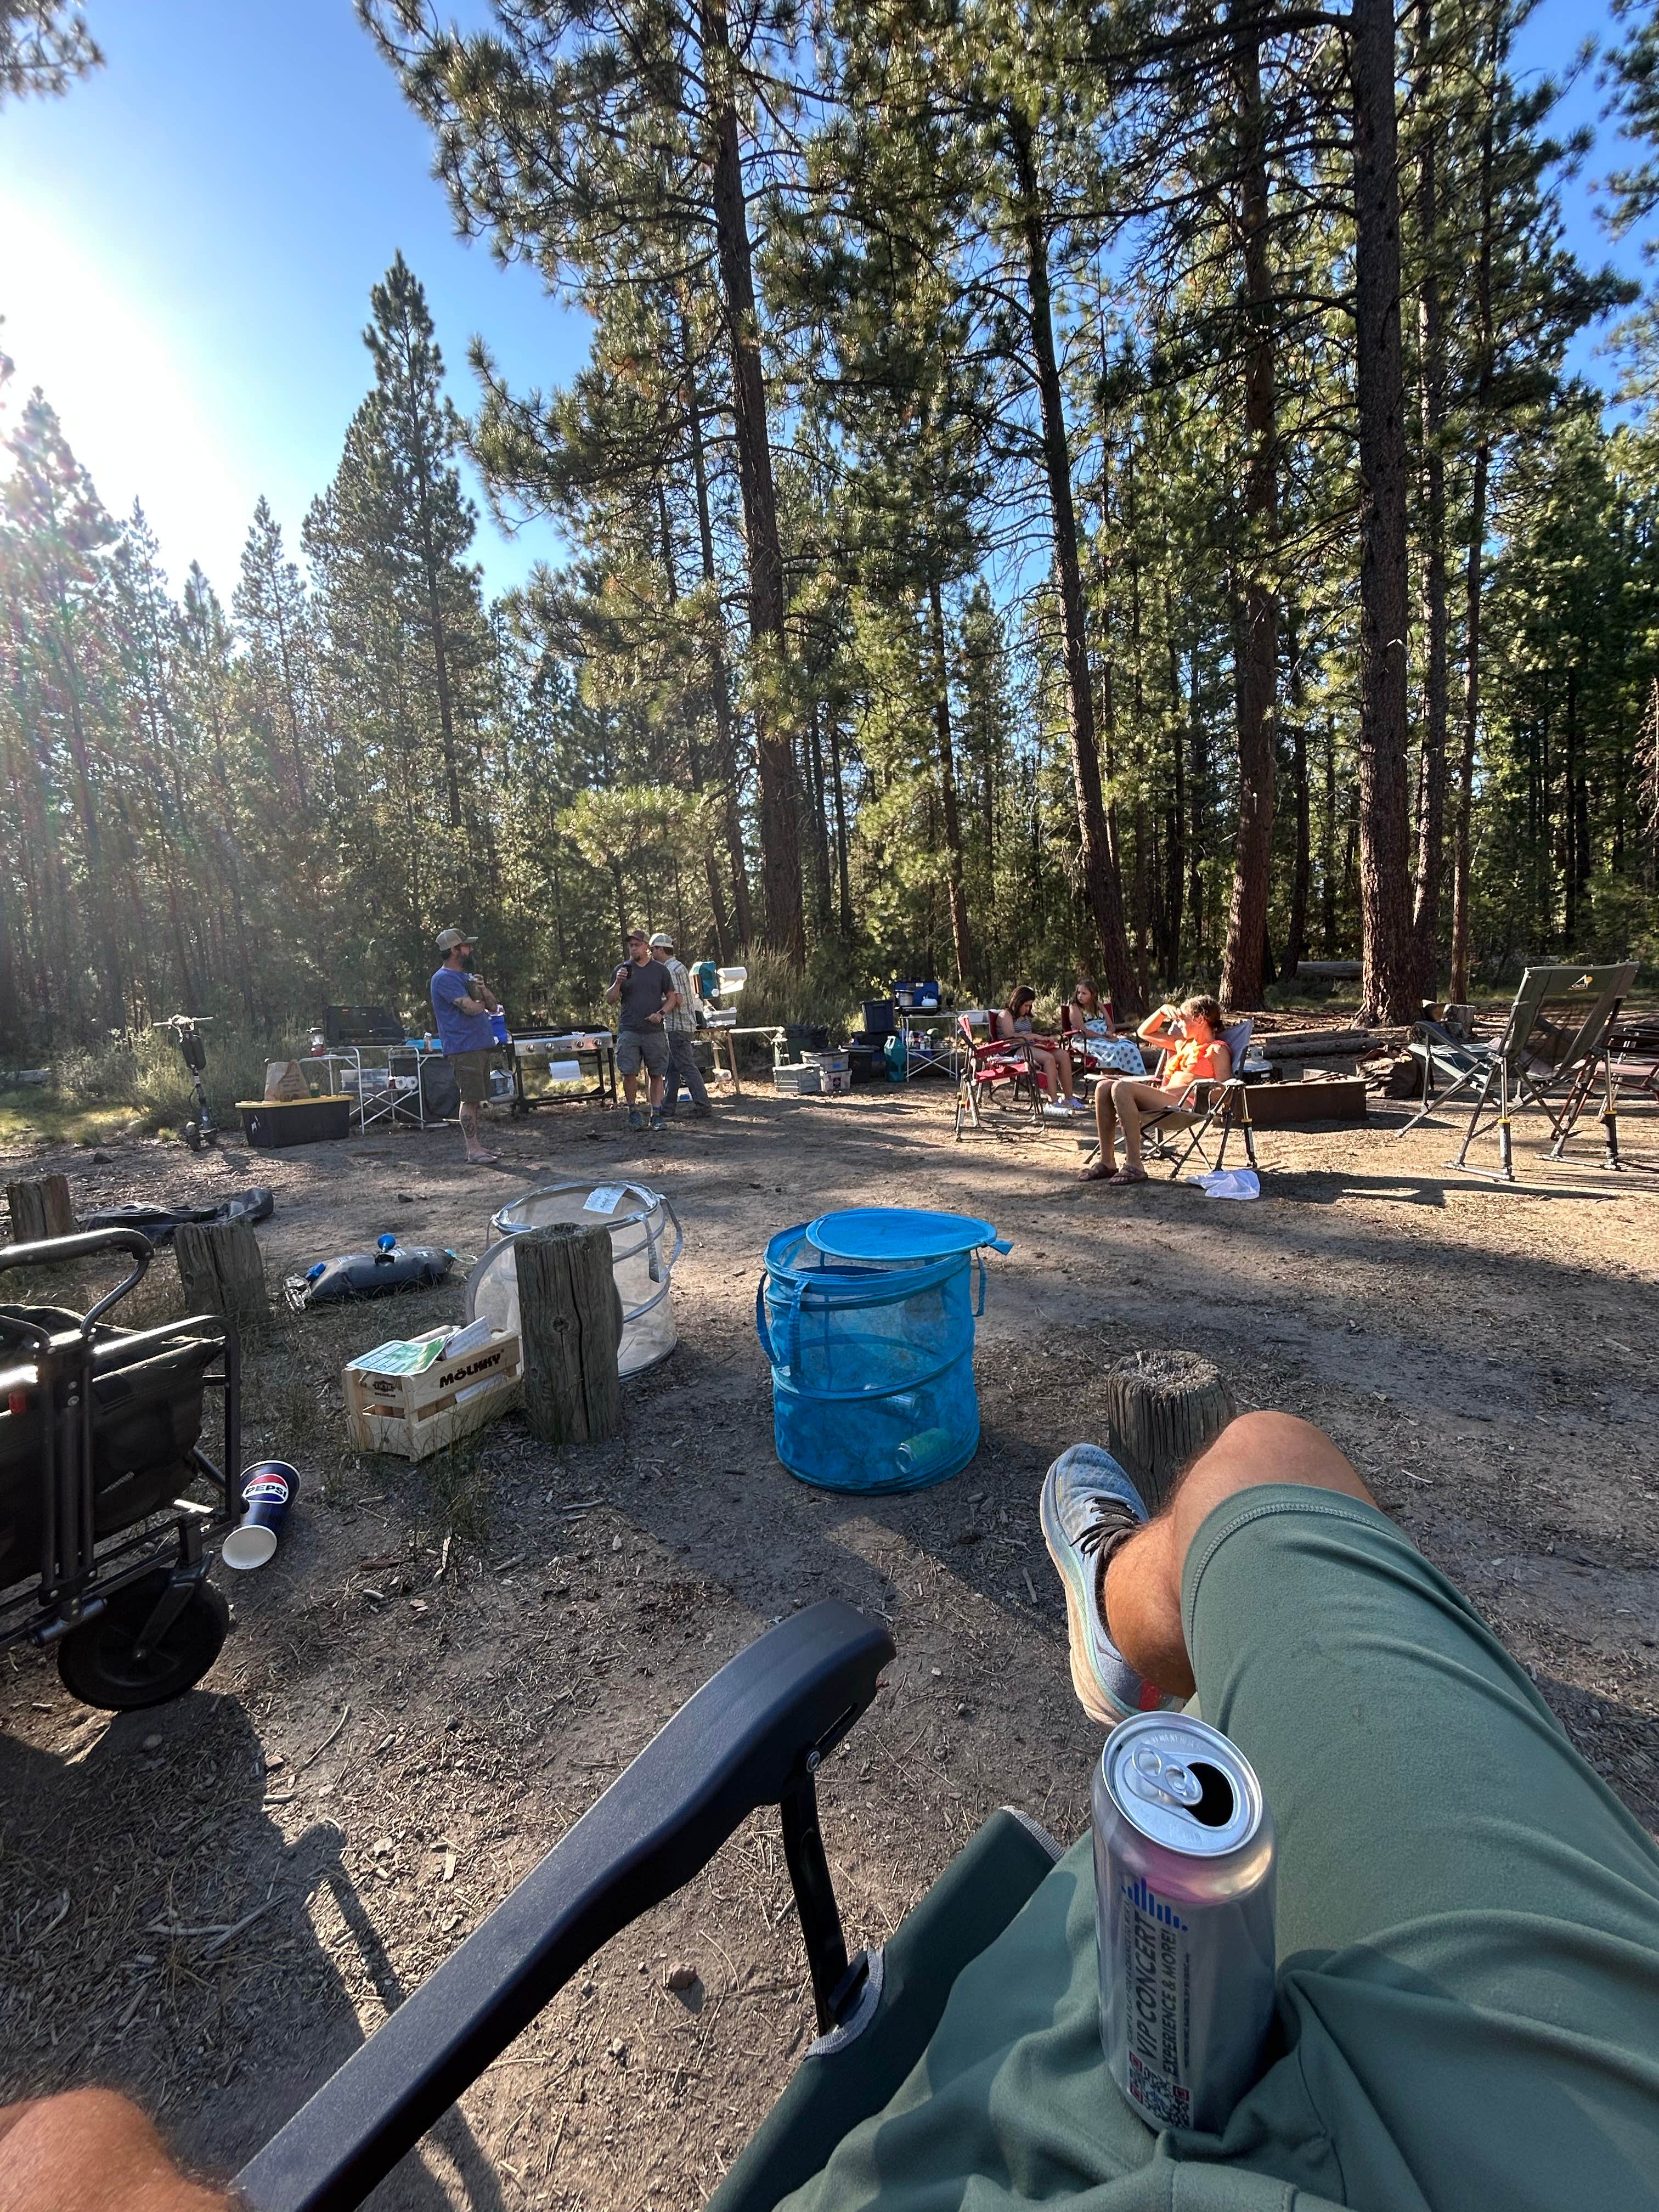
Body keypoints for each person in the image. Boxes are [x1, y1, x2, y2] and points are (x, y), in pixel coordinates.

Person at [19, 1409, 1659, 2210]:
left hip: (1475, 2124)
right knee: (1267, 1464)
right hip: (1539, 2134)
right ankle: (1120, 1600)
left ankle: (1125, 1611)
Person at [1081, 990, 1230, 1184]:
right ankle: (1107, 1162)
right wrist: (1161, 1012)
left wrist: (1190, 1089)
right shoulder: (1183, 1045)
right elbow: (1145, 1033)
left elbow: (1225, 1092)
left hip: (1185, 1106)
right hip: (1164, 1099)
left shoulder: (1217, 1050)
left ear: (1200, 1019)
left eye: (1183, 1019)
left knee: (1121, 1088)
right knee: (1103, 1086)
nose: (1178, 1024)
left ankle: (1134, 1165)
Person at [429, 924, 503, 1165]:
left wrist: (482, 990)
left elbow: (493, 1006)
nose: (471, 949)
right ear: (454, 950)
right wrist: (479, 1001)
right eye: (466, 946)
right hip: (463, 1047)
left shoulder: (467, 977)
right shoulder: (443, 979)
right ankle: (473, 1151)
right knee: (469, 1099)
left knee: (477, 1099)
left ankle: (478, 1146)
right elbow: (471, 1009)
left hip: (479, 1044)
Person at [605, 927, 676, 1131]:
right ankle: (633, 1111)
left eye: (637, 945)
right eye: (631, 946)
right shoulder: (623, 969)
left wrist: (661, 1014)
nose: (633, 949)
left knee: (656, 1073)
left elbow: (672, 998)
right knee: (629, 1073)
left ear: (647, 947)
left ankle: (656, 1114)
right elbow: (610, 1000)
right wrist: (618, 982)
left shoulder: (660, 970)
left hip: (653, 1031)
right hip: (629, 1029)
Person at [650, 930, 713, 1121]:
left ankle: (703, 1106)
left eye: (653, 950)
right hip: (680, 1025)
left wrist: (658, 1007)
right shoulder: (679, 966)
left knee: (687, 1066)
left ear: (661, 949)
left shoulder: (670, 969)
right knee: (673, 1068)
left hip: (677, 1025)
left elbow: (676, 999)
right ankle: (668, 1107)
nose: (651, 954)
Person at [995, 986, 1086, 1113]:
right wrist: (1035, 1036)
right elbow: (1011, 1036)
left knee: (1063, 1055)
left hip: (1029, 1045)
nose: (1028, 1009)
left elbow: (1028, 1034)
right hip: (1013, 1049)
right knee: (1049, 1058)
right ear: (1018, 1002)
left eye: (1030, 1006)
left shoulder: (1024, 1016)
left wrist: (1043, 1040)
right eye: (1026, 1006)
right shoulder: (1006, 1015)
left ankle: (1069, 1097)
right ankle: (1052, 1101)